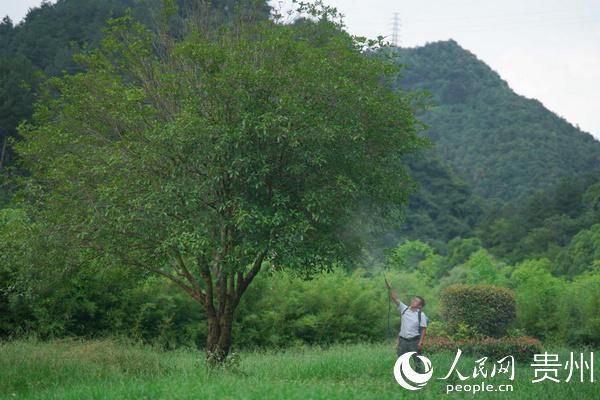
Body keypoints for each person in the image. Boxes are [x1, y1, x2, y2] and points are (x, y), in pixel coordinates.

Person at [385, 280, 428, 373]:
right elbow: (395, 298)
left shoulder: (421, 315)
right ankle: (402, 380)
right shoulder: (404, 309)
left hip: (414, 341)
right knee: (401, 362)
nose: (413, 301)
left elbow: (424, 329)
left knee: (418, 362)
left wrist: (420, 342)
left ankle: (420, 379)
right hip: (403, 341)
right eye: (413, 299)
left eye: (416, 301)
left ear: (420, 306)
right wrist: (390, 288)